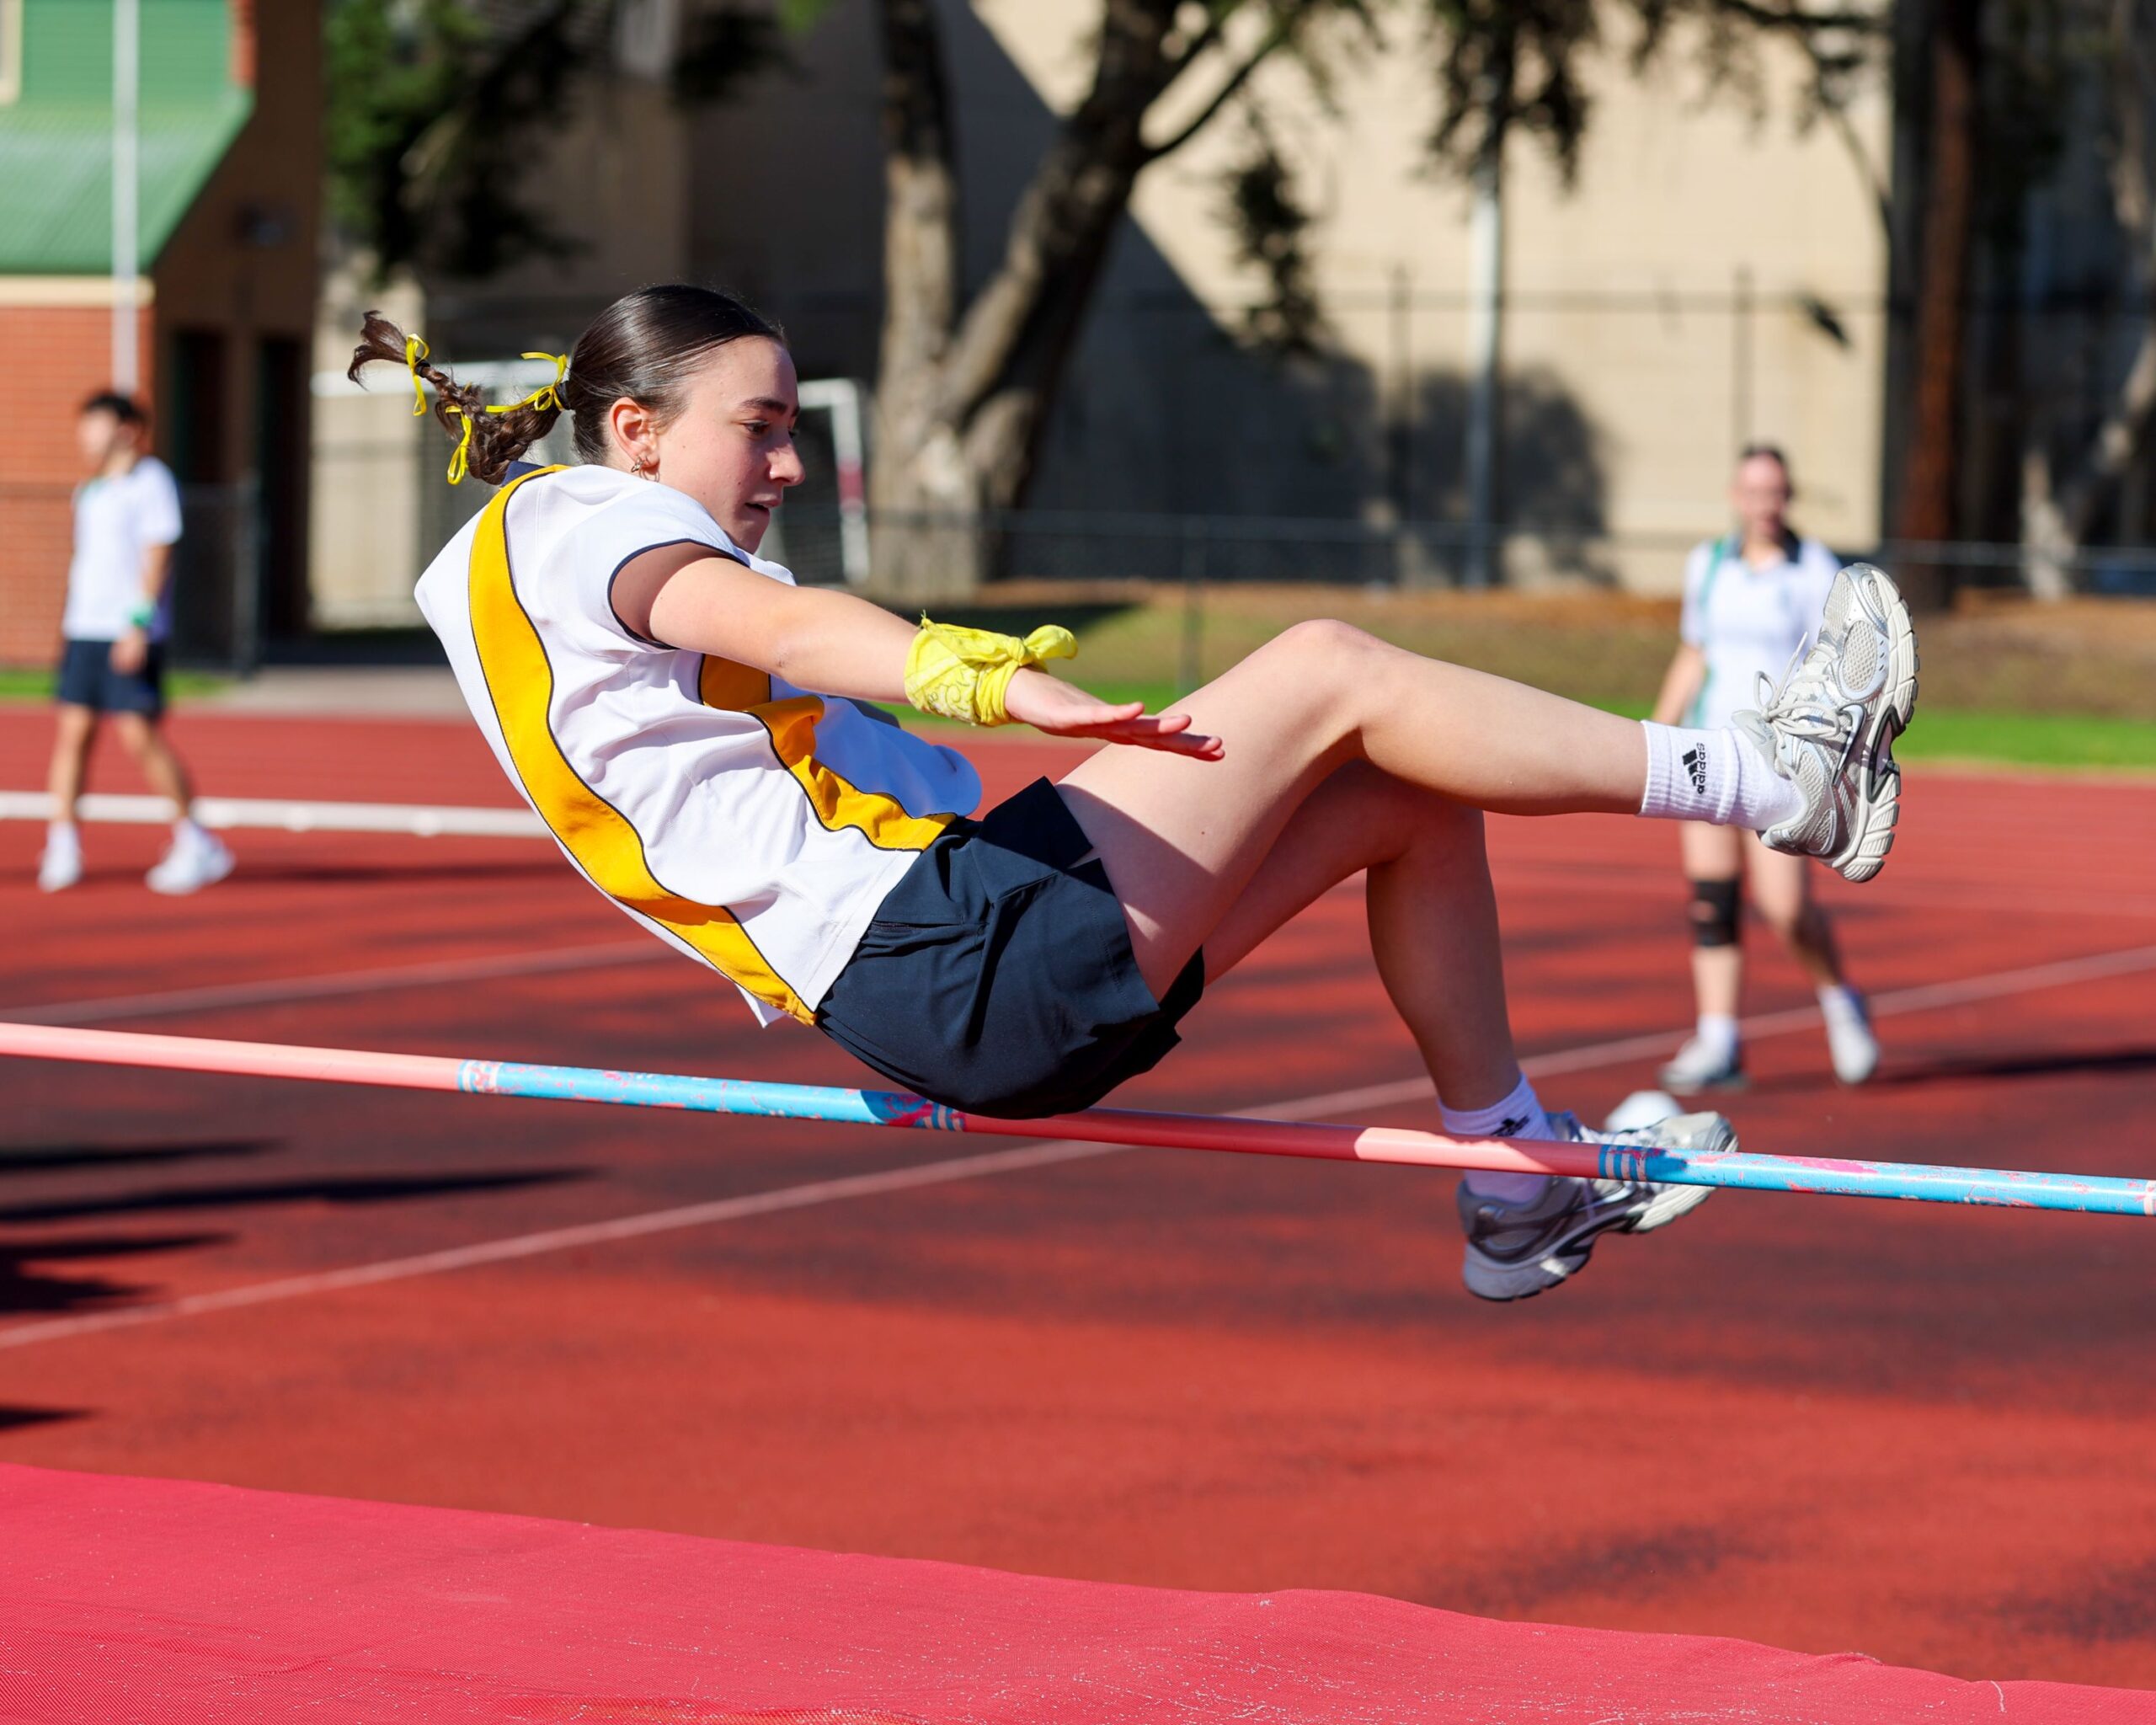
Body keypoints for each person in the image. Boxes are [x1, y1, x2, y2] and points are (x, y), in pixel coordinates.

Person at [352, 287, 1918, 1302]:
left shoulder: (534, 566)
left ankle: (1511, 1183)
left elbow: (761, 698)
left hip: (941, 959)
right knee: (1328, 666)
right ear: (634, 432)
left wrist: (945, 732)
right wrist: (978, 674)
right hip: (941, 954)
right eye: (756, 430)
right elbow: (787, 625)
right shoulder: (588, 525)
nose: (786, 467)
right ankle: (1779, 780)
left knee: (1405, 790)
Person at [1649, 445, 1887, 1092]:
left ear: (1788, 497)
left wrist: (1840, 754)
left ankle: (1840, 1001)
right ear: (1737, 496)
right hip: (1708, 751)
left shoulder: (1814, 569)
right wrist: (1658, 733)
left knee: (1785, 907)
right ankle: (1719, 1039)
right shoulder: (1709, 564)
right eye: (1753, 492)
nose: (1764, 505)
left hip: (1781, 762)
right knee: (1713, 903)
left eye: (1775, 492)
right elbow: (1694, 653)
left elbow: (1841, 669)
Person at [38, 392, 233, 895]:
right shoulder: (89, 490)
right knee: (73, 734)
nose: (85, 436)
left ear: (126, 430)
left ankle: (196, 841)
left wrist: (138, 625)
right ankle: (63, 843)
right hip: (84, 630)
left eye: (95, 425)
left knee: (138, 736)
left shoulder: (152, 482)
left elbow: (158, 556)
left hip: (129, 631)